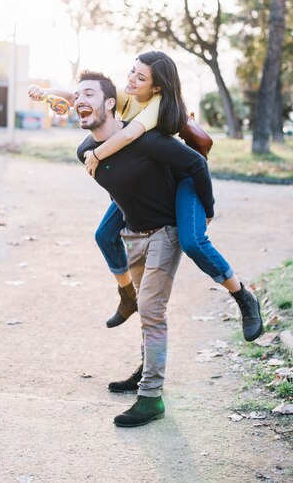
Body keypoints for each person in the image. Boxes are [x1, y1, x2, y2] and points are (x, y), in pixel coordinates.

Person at [28, 53, 263, 345]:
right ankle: (128, 296)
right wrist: (48, 93)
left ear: (156, 87)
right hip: (149, 177)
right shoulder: (127, 96)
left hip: (182, 175)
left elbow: (130, 138)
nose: (131, 80)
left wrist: (208, 209)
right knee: (104, 235)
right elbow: (84, 96)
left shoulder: (155, 106)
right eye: (132, 72)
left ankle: (242, 296)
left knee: (193, 242)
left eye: (141, 78)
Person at [74, 70, 262, 427]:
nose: (80, 100)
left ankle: (151, 397)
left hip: (166, 231)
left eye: (90, 94)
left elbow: (194, 164)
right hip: (135, 233)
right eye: (77, 95)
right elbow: (121, 191)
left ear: (110, 103)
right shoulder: (85, 151)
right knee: (147, 309)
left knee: (151, 309)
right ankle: (146, 369)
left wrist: (205, 210)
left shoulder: (148, 140)